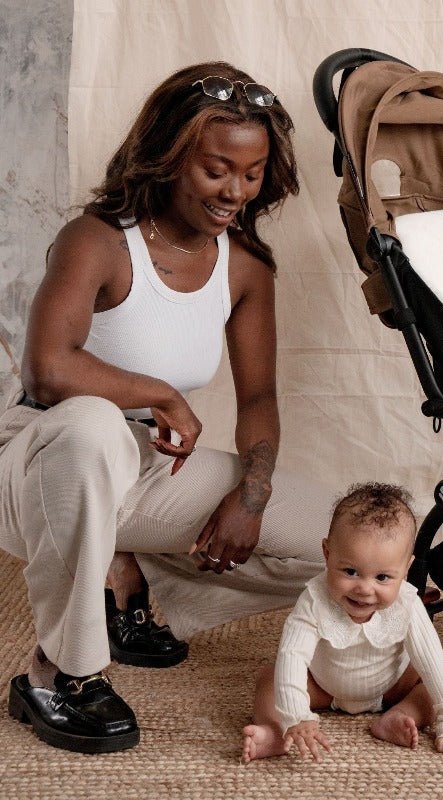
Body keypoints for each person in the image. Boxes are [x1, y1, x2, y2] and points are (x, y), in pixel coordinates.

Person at [0, 62, 334, 754]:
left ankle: (136, 581)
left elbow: (261, 397)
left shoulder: (245, 266)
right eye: (218, 170)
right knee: (93, 425)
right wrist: (159, 393)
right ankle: (59, 674)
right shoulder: (97, 239)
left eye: (252, 172)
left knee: (343, 544)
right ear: (171, 156)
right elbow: (48, 367)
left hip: (148, 469)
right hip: (37, 458)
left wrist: (252, 491)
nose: (236, 191)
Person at [241, 482, 443, 762]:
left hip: (391, 687)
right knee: (272, 677)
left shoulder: (408, 603)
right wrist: (296, 714)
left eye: (382, 577)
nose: (365, 589)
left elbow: (432, 661)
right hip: (323, 688)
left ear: (406, 569)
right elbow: (293, 655)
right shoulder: (314, 599)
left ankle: (402, 714)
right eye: (351, 571)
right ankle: (277, 732)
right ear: (328, 555)